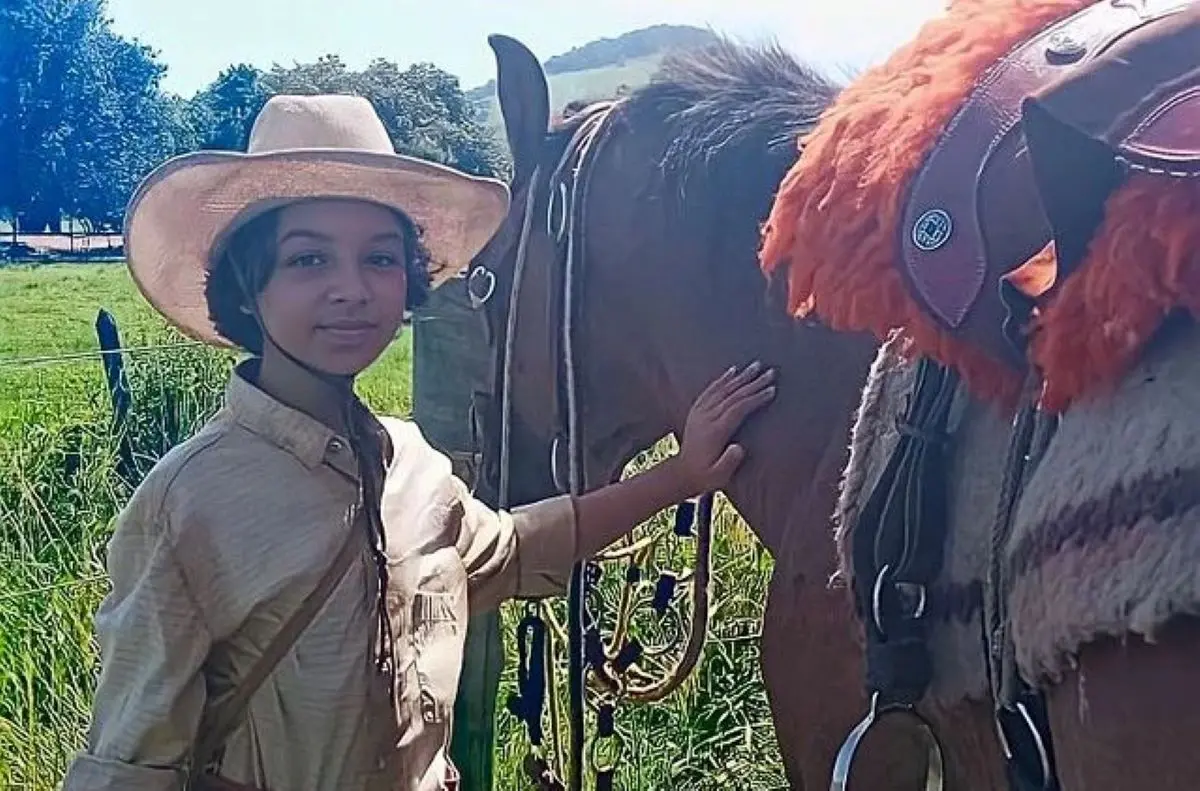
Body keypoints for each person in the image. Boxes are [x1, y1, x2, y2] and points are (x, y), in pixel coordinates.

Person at [61, 93, 776, 791]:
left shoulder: (413, 469)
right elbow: (131, 759)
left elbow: (518, 550)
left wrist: (682, 475)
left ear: (409, 282)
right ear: (249, 287)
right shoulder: (189, 504)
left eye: (379, 259)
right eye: (309, 261)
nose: (353, 289)